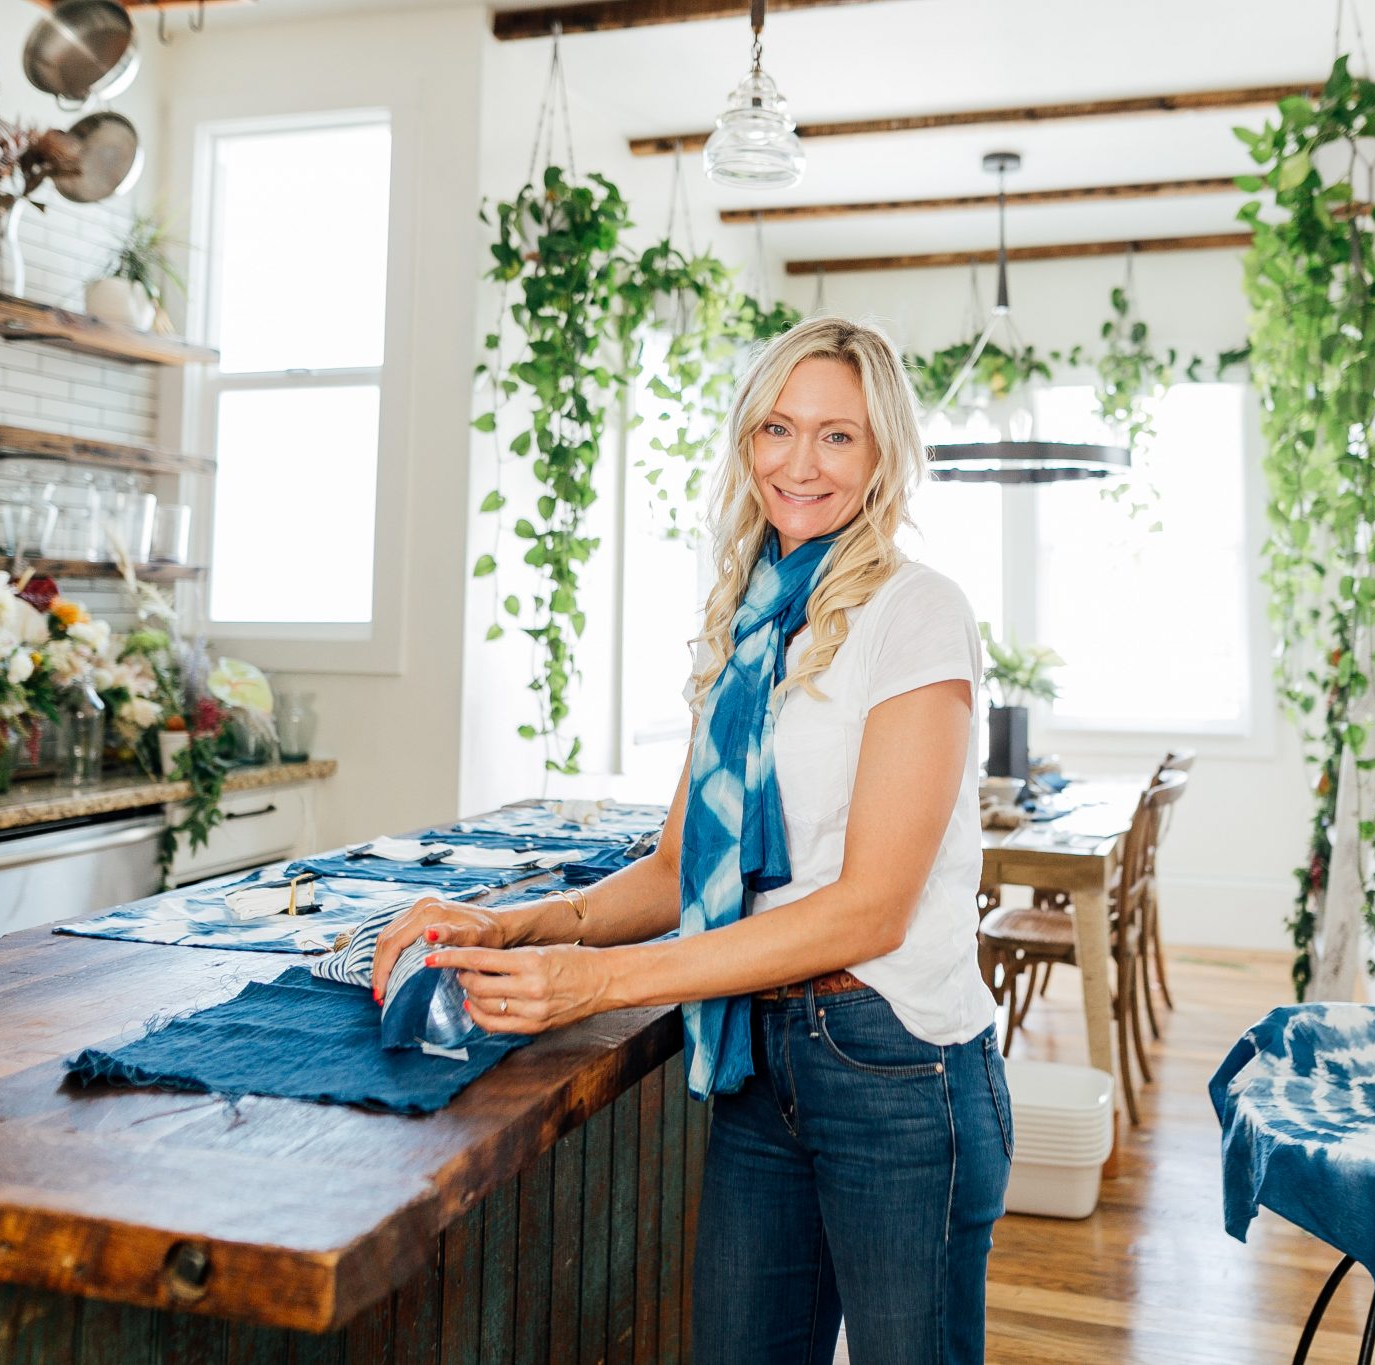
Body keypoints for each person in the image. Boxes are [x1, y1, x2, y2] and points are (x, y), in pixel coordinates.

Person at [373, 315, 1010, 1364]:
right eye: (775, 428)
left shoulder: (916, 614)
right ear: (745, 442)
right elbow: (680, 869)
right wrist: (510, 925)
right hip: (762, 1065)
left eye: (836, 436)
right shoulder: (749, 626)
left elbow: (868, 909)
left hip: (896, 1069)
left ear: (884, 454)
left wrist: (599, 981)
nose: (798, 463)